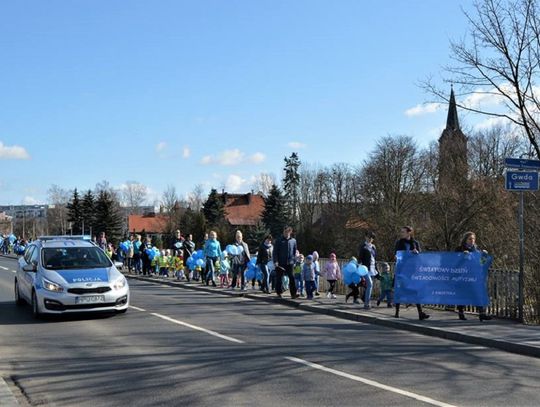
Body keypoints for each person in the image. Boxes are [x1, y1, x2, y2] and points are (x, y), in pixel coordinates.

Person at [394, 226, 430, 320]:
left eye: (403, 232)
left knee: (415, 290)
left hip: (412, 271)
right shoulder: (399, 243)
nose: (401, 234)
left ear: (409, 233)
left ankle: (420, 313)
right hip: (402, 270)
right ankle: (397, 312)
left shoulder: (415, 243)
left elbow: (420, 256)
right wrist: (399, 256)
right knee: (400, 289)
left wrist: (417, 252)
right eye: (401, 232)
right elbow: (396, 255)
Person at [456, 232, 493, 321]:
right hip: (463, 276)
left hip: (474, 276)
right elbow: (455, 263)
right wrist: (462, 257)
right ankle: (461, 312)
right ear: (465, 239)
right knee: (463, 295)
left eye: (473, 239)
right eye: (470, 239)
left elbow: (481, 264)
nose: (472, 241)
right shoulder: (459, 249)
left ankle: (482, 314)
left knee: (478, 293)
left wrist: (484, 256)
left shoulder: (476, 250)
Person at [273, 226, 298, 299]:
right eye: (285, 232)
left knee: (292, 277)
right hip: (280, 262)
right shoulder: (279, 240)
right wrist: (275, 261)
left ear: (290, 232)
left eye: (287, 232)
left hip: (290, 263)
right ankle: (279, 292)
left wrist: (294, 260)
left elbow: (294, 251)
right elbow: (275, 252)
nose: (286, 233)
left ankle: (293, 294)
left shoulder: (293, 241)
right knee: (279, 278)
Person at [359, 231, 378, 310]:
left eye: (372, 237)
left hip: (372, 268)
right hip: (365, 269)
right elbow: (360, 257)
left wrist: (377, 270)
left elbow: (375, 258)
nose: (370, 239)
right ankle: (366, 304)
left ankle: (365, 299)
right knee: (370, 284)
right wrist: (359, 267)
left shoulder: (374, 247)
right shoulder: (363, 246)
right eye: (368, 237)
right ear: (365, 237)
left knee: (369, 286)